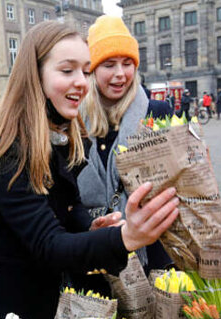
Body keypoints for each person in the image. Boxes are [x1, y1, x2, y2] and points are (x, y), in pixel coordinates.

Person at [0, 21, 180, 319]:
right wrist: (126, 237)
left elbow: (67, 208)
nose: (82, 82)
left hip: (39, 296)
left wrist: (90, 227)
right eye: (67, 71)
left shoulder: (64, 129)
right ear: (36, 73)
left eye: (85, 71)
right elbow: (49, 244)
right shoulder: (10, 146)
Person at [76, 15, 174, 293]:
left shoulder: (157, 112)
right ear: (92, 70)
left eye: (127, 63)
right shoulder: (75, 120)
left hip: (150, 249)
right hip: (93, 249)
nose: (120, 74)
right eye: (109, 65)